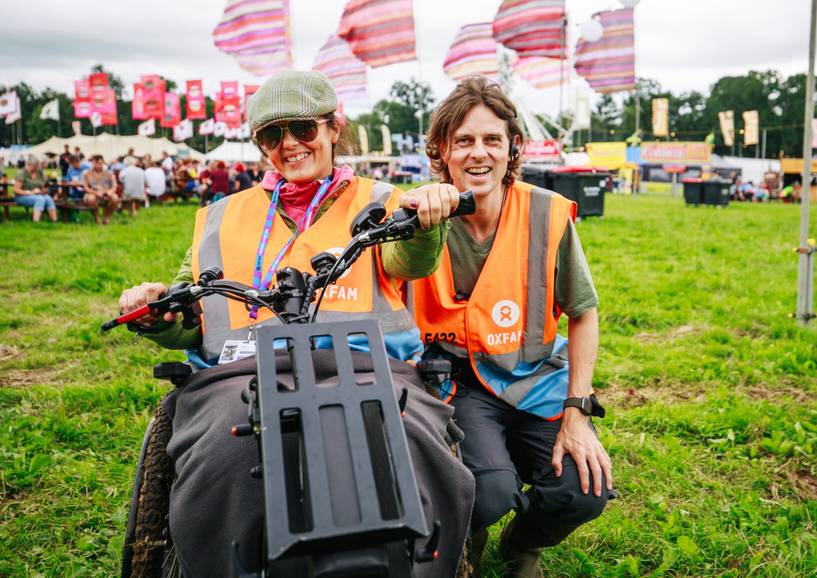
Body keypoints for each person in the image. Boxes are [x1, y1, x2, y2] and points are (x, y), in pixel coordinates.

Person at [116, 70, 473, 578]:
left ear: (333, 128)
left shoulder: (386, 200)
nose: (289, 144)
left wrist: (426, 218)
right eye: (271, 134)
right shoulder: (221, 215)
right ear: (261, 144)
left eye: (303, 128)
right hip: (241, 376)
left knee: (413, 440)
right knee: (223, 454)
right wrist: (158, 312)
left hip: (371, 367)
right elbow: (194, 319)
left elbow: (408, 261)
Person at [413, 76, 611, 577]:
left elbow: (584, 313)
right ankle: (469, 535)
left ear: (512, 147)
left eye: (492, 139)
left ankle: (522, 544)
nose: (478, 153)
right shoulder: (418, 217)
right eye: (463, 140)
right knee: (488, 489)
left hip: (537, 377)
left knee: (584, 490)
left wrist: (578, 412)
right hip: (458, 381)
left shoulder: (545, 213)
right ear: (441, 150)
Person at [13, 155, 58, 223]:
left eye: (38, 166)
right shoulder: (22, 172)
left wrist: (44, 191)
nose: (37, 168)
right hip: (22, 196)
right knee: (40, 199)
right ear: (28, 164)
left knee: (48, 198)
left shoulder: (40, 172)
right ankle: (36, 222)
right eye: (35, 166)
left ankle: (55, 221)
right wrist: (30, 192)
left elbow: (43, 187)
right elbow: (16, 190)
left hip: (38, 195)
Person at [81, 154, 119, 224]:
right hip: (92, 193)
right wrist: (96, 193)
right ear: (92, 162)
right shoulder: (86, 173)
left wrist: (110, 191)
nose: (98, 165)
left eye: (100, 163)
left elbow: (114, 186)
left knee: (115, 197)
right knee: (91, 198)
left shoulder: (109, 173)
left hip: (106, 193)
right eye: (96, 163)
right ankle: (97, 218)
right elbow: (85, 187)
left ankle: (107, 218)